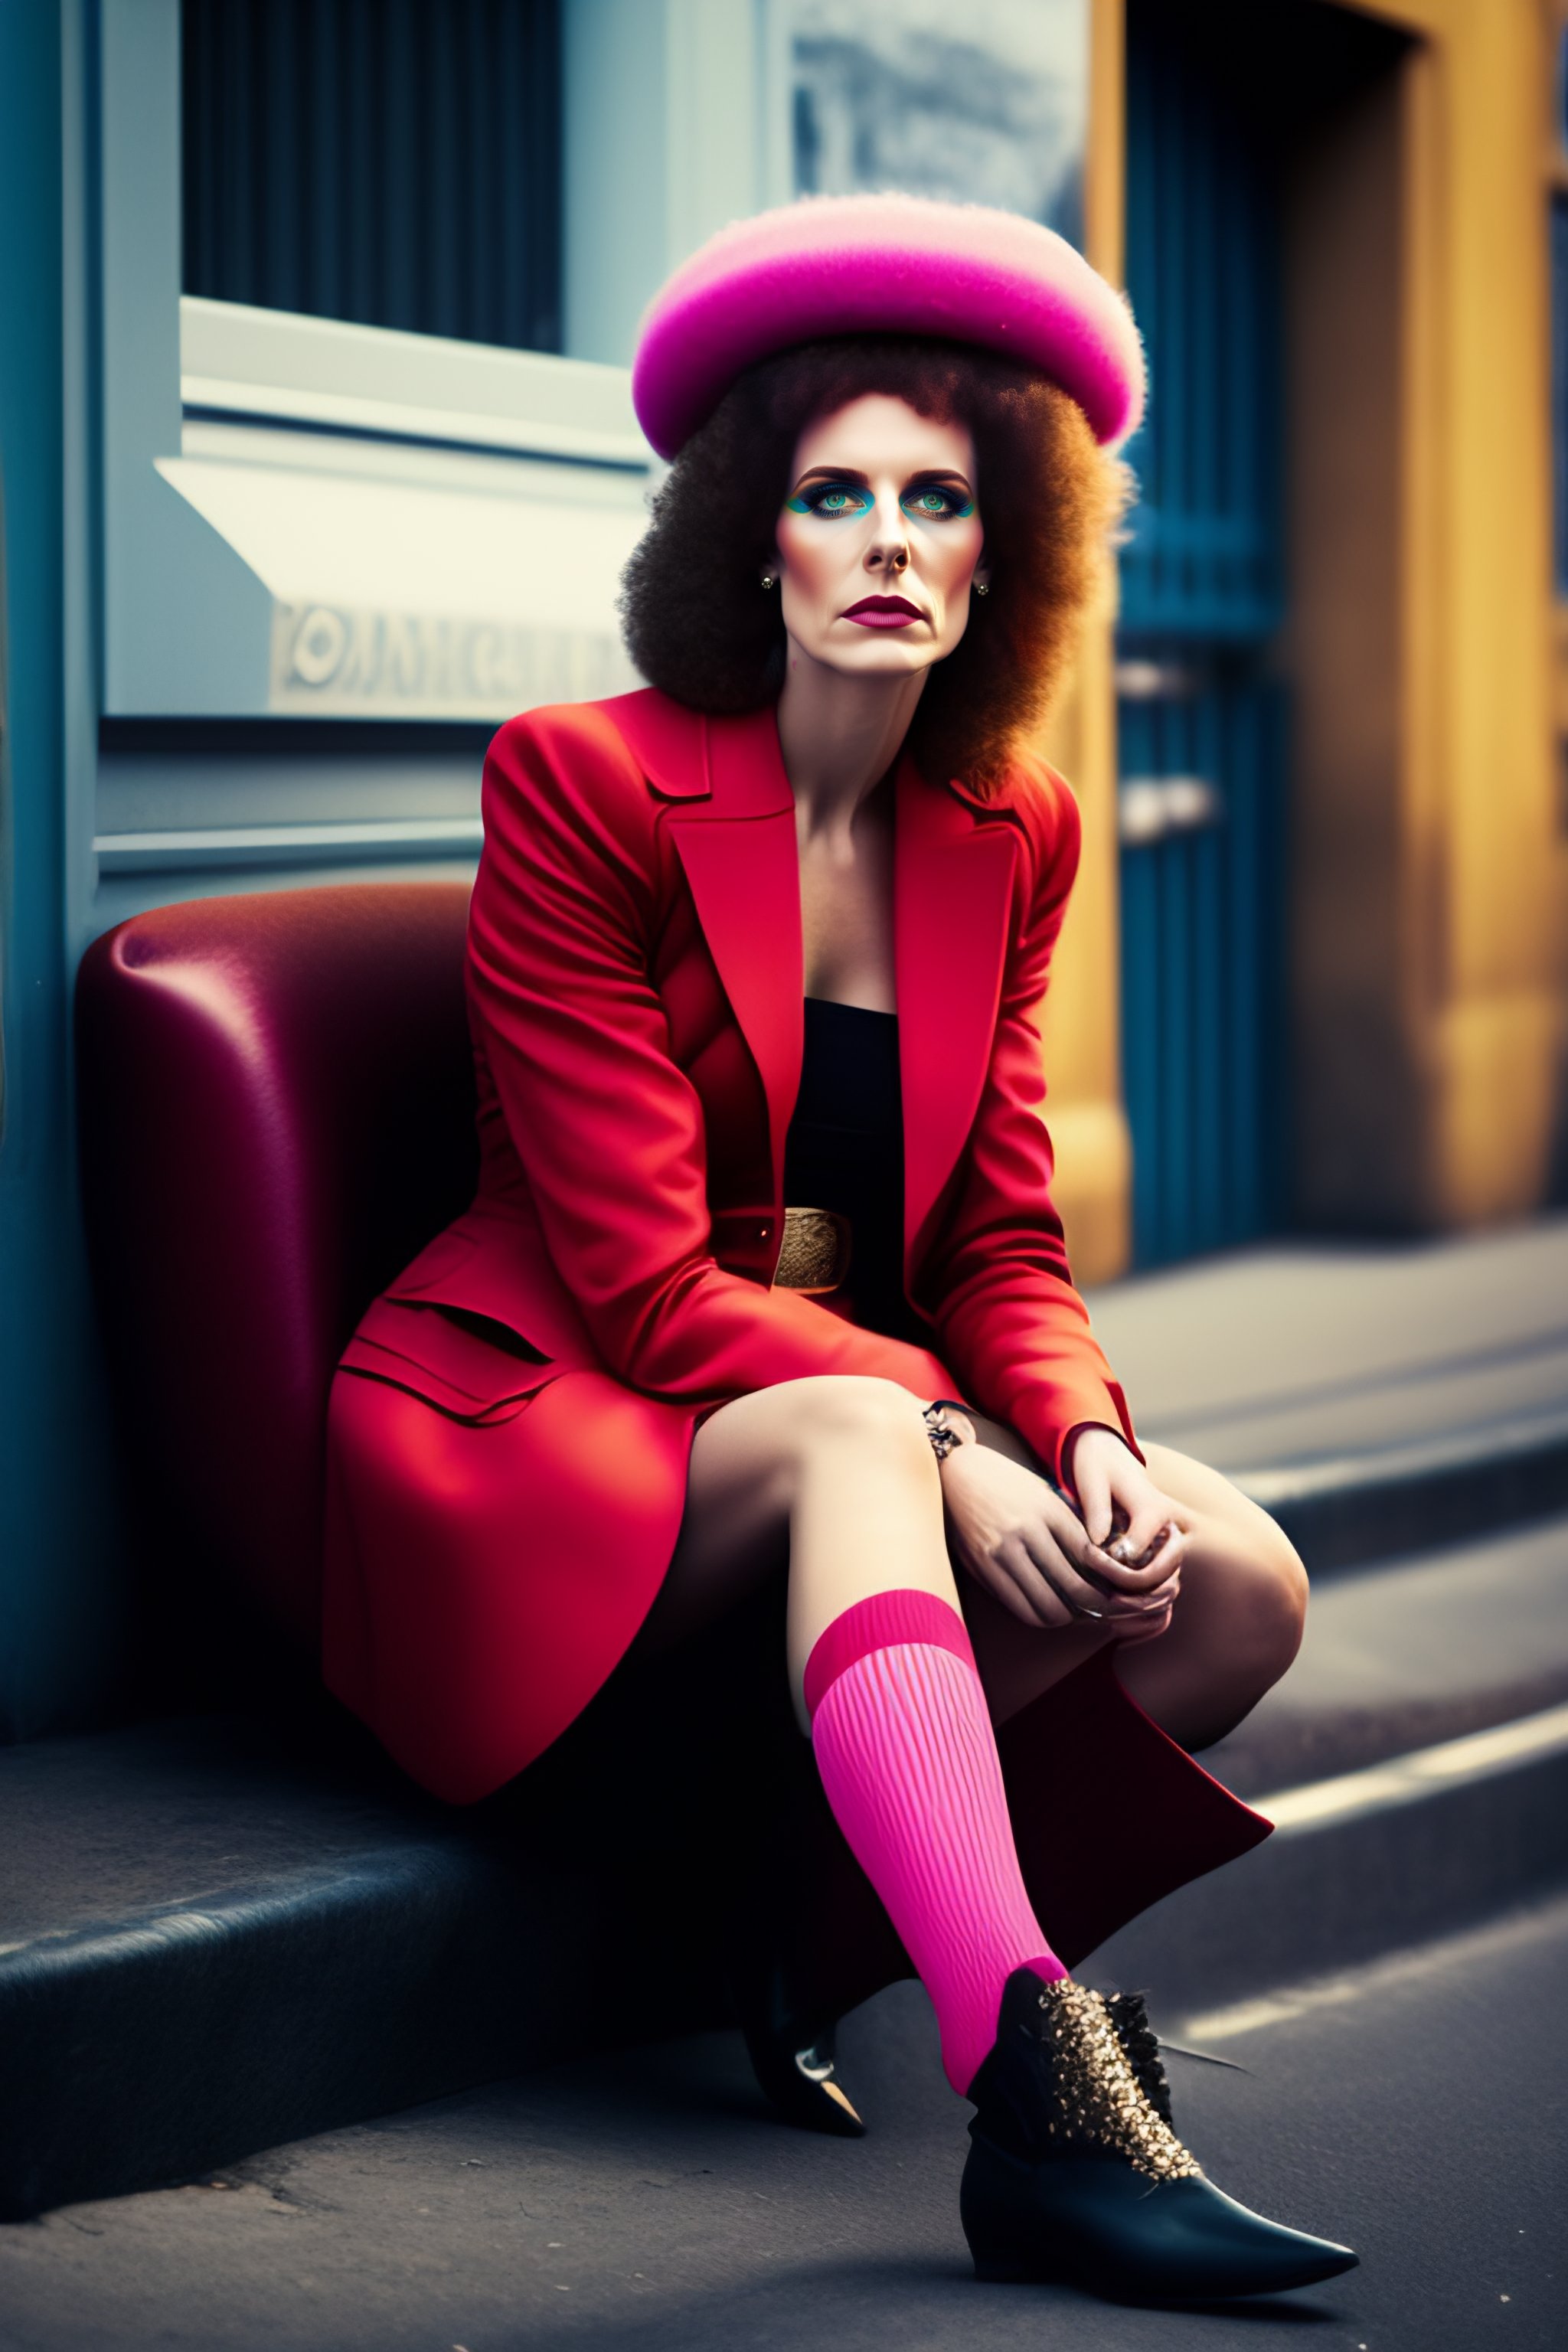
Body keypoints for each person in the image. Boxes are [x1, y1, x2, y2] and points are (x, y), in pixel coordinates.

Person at [323, 194, 1356, 2305]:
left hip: (821, 1418)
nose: (888, 542)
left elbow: (997, 1230)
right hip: (536, 1425)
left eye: (938, 501)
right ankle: (1039, 2102)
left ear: (1002, 558)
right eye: (834, 496)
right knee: (874, 1436)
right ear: (752, 542)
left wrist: (1077, 1438)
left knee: (1233, 1576)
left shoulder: (1014, 830)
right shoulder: (582, 786)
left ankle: (809, 1926)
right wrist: (957, 1441)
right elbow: (639, 1285)